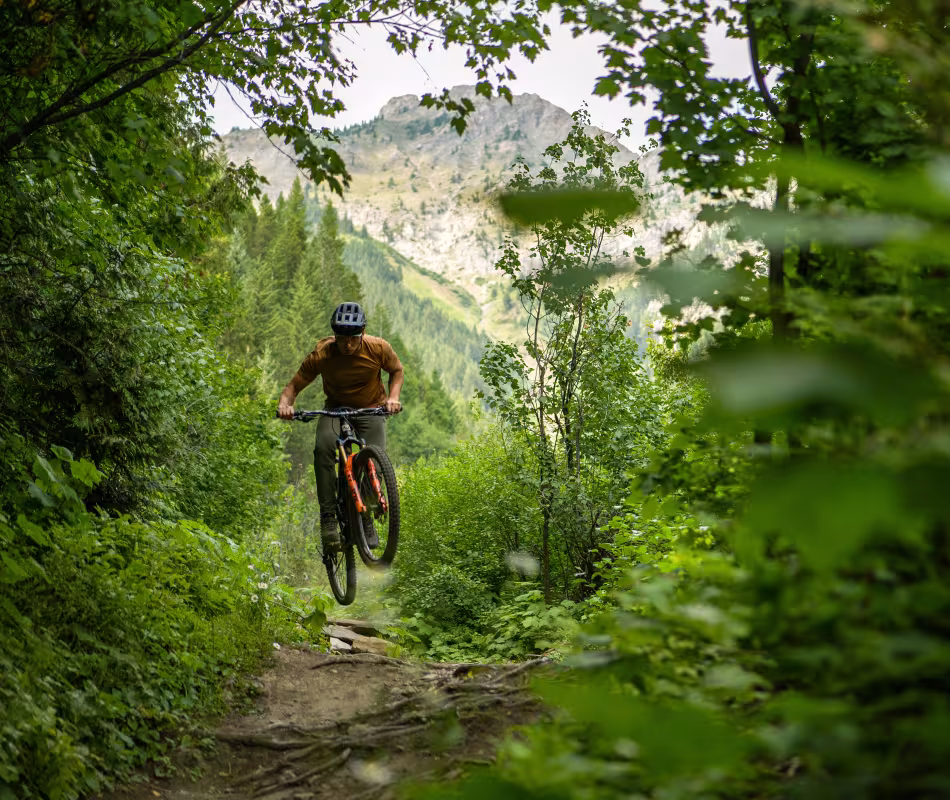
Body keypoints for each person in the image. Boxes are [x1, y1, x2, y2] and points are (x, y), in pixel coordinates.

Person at [277, 302, 404, 551]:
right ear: (334, 335)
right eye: (341, 337)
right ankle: (328, 517)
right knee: (323, 448)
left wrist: (393, 398)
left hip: (371, 409)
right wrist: (285, 404)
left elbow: (396, 371)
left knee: (373, 461)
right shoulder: (323, 354)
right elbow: (293, 387)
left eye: (353, 338)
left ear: (363, 332)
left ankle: (366, 516)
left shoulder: (378, 348)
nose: (347, 344)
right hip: (335, 409)